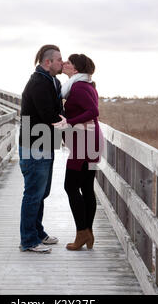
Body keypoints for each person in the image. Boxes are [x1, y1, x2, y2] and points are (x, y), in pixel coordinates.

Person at [18, 44, 67, 253]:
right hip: (34, 144)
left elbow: (57, 110)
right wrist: (64, 122)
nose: (62, 63)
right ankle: (28, 240)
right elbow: (48, 114)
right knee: (33, 193)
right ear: (48, 62)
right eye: (58, 60)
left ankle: (37, 231)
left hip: (45, 142)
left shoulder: (52, 81)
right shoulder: (38, 83)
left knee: (42, 192)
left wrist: (62, 121)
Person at [53, 53, 103, 250]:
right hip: (87, 140)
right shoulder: (83, 84)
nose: (64, 63)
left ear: (75, 69)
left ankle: (82, 232)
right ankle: (88, 233)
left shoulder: (80, 86)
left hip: (84, 142)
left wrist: (69, 121)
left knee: (70, 186)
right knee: (86, 187)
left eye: (68, 62)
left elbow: (93, 111)